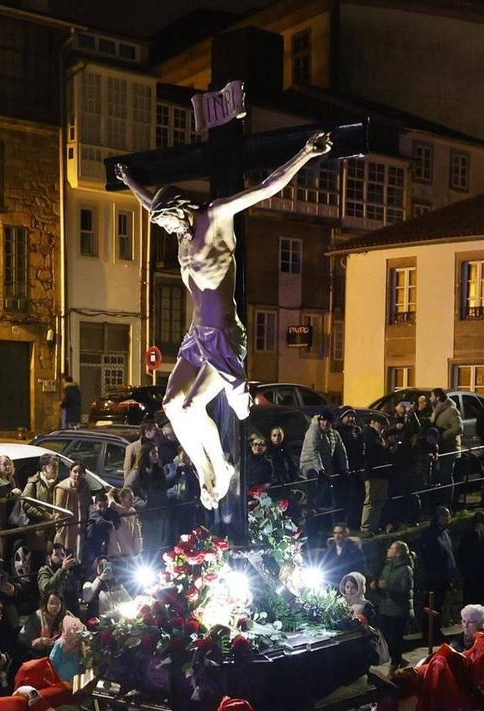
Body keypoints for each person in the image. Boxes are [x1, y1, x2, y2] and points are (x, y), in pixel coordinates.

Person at [117, 131, 334, 507]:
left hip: (224, 334)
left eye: (169, 224)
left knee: (190, 406)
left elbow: (266, 188)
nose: (171, 233)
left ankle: (219, 466)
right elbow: (153, 202)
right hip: (196, 335)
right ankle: (207, 470)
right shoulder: (183, 235)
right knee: (171, 405)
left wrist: (305, 154)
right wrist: (130, 182)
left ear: (181, 211)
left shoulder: (215, 218)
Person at [374, 540, 414, 662]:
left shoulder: (406, 569)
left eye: (391, 548)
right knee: (386, 638)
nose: (388, 550)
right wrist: (376, 586)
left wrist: (387, 586)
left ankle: (396, 665)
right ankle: (398, 661)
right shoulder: (387, 567)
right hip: (385, 609)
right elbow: (382, 585)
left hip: (398, 611)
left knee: (395, 639)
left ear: (398, 553)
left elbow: (405, 590)